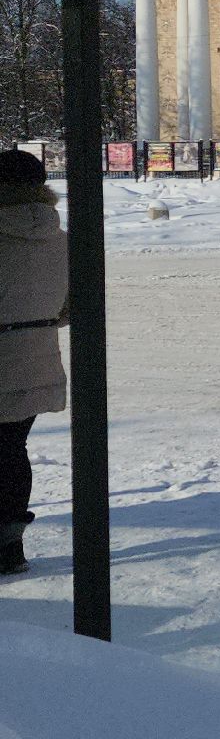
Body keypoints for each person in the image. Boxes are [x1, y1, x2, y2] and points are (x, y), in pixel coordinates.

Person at [0, 149, 67, 577]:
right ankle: (9, 547)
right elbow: (69, 308)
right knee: (11, 451)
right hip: (37, 358)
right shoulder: (61, 238)